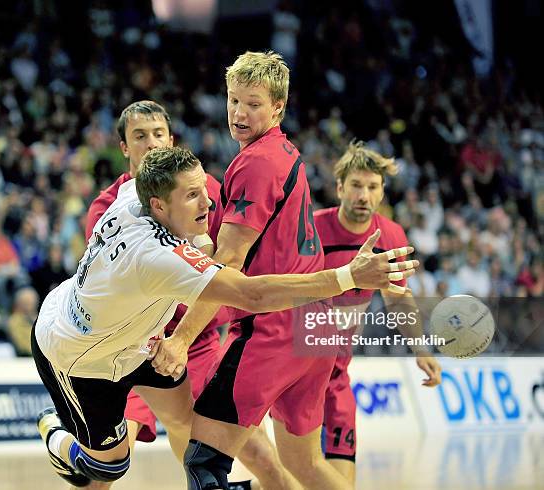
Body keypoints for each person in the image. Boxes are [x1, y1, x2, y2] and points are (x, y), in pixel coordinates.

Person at [35, 146, 417, 488]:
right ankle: (54, 429)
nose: (209, 202)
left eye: (204, 188)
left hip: (138, 343)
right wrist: (349, 276)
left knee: (196, 425)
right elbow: (253, 293)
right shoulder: (158, 258)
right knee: (107, 470)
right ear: (159, 206)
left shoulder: (130, 194)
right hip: (79, 354)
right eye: (192, 195)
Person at [151, 51, 414, 490]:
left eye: (253, 103)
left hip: (272, 332)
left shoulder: (254, 162)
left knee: (203, 462)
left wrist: (181, 339)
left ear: (277, 107)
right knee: (304, 464)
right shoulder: (285, 152)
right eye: (233, 100)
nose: (239, 112)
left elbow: (229, 262)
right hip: (315, 330)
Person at [84, 100, 297, 490]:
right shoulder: (107, 208)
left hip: (194, 343)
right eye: (140, 136)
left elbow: (231, 255)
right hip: (131, 351)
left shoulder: (205, 189)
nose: (151, 143)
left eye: (158, 134)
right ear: (124, 148)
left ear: (171, 139)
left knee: (257, 455)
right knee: (104, 470)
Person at [313, 141, 442, 484]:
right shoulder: (312, 230)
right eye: (356, 185)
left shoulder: (392, 235)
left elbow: (398, 299)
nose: (363, 195)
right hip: (301, 371)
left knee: (340, 482)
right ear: (340, 187)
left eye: (372, 187)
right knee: (295, 477)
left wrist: (420, 349)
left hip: (338, 375)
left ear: (382, 191)